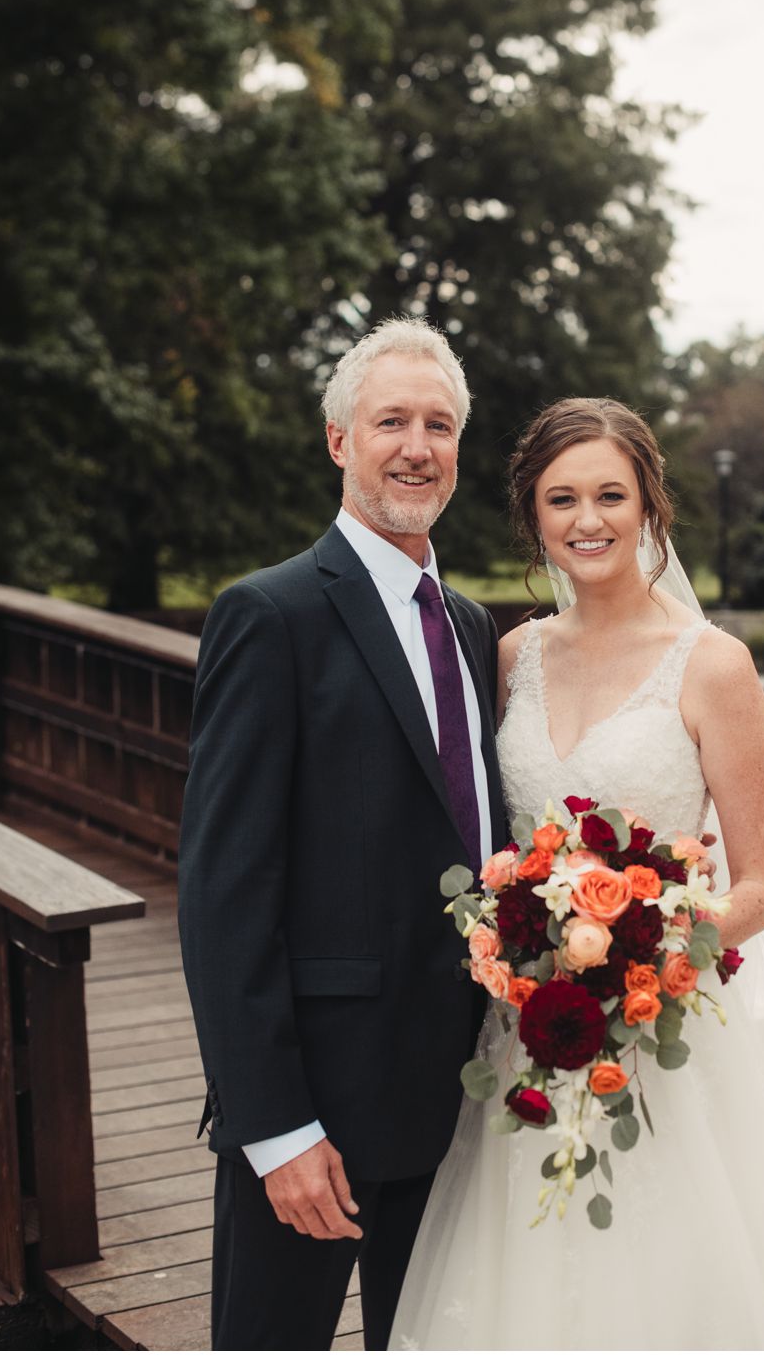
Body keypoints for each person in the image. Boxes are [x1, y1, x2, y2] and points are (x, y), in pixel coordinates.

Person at [390, 397, 764, 1347]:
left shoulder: (713, 667)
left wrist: (646, 947)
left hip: (668, 1030)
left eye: (611, 494)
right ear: (533, 518)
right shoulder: (511, 657)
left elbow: (763, 885)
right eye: (563, 498)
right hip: (529, 1035)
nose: (588, 520)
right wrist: (518, 942)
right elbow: (498, 844)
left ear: (649, 505)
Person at [177, 319, 507, 1350]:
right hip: (318, 1103)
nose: (416, 446)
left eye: (438, 425)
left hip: (465, 1096)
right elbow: (222, 892)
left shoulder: (469, 623)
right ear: (337, 441)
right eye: (390, 421)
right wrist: (273, 1127)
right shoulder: (267, 615)